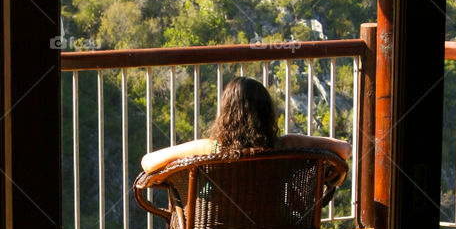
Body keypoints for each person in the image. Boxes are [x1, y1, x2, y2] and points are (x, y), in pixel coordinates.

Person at [140, 76, 352, 173]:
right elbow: (344, 149)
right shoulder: (285, 145)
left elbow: (148, 163)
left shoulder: (209, 149)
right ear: (268, 113)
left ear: (226, 114)